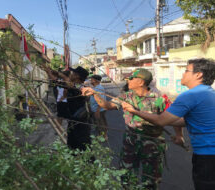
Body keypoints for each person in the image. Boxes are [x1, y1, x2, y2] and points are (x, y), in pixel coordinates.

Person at [121, 58, 215, 190]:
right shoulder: (208, 93)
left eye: (186, 71)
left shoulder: (190, 95)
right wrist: (179, 136)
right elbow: (187, 120)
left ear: (198, 75)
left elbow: (161, 120)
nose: (183, 74)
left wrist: (134, 111)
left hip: (208, 156)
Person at [82, 68, 180, 189]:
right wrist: (95, 94)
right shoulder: (126, 96)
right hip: (130, 143)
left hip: (152, 146)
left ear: (141, 82)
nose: (128, 80)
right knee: (126, 177)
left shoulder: (160, 98)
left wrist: (179, 135)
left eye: (131, 78)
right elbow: (106, 105)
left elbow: (175, 118)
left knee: (150, 181)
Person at [42, 65, 91, 151]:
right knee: (72, 147)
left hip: (80, 125)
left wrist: (58, 74)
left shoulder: (81, 88)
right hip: (74, 122)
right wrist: (50, 72)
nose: (70, 74)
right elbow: (57, 82)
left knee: (83, 149)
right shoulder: (74, 86)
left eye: (72, 73)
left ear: (77, 76)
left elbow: (68, 83)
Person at [89, 75, 108, 140]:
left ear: (95, 80)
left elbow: (101, 100)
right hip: (95, 109)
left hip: (100, 109)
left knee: (102, 122)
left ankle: (105, 136)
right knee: (98, 123)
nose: (90, 80)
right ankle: (100, 134)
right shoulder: (95, 87)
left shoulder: (99, 88)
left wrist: (98, 110)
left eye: (91, 79)